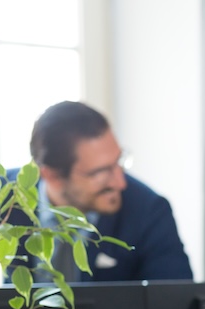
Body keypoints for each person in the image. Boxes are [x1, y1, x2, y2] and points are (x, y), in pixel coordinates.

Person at [19, 100, 192, 281]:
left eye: (118, 161)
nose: (120, 183)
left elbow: (175, 301)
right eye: (101, 172)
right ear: (52, 176)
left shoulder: (149, 211)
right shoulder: (1, 198)